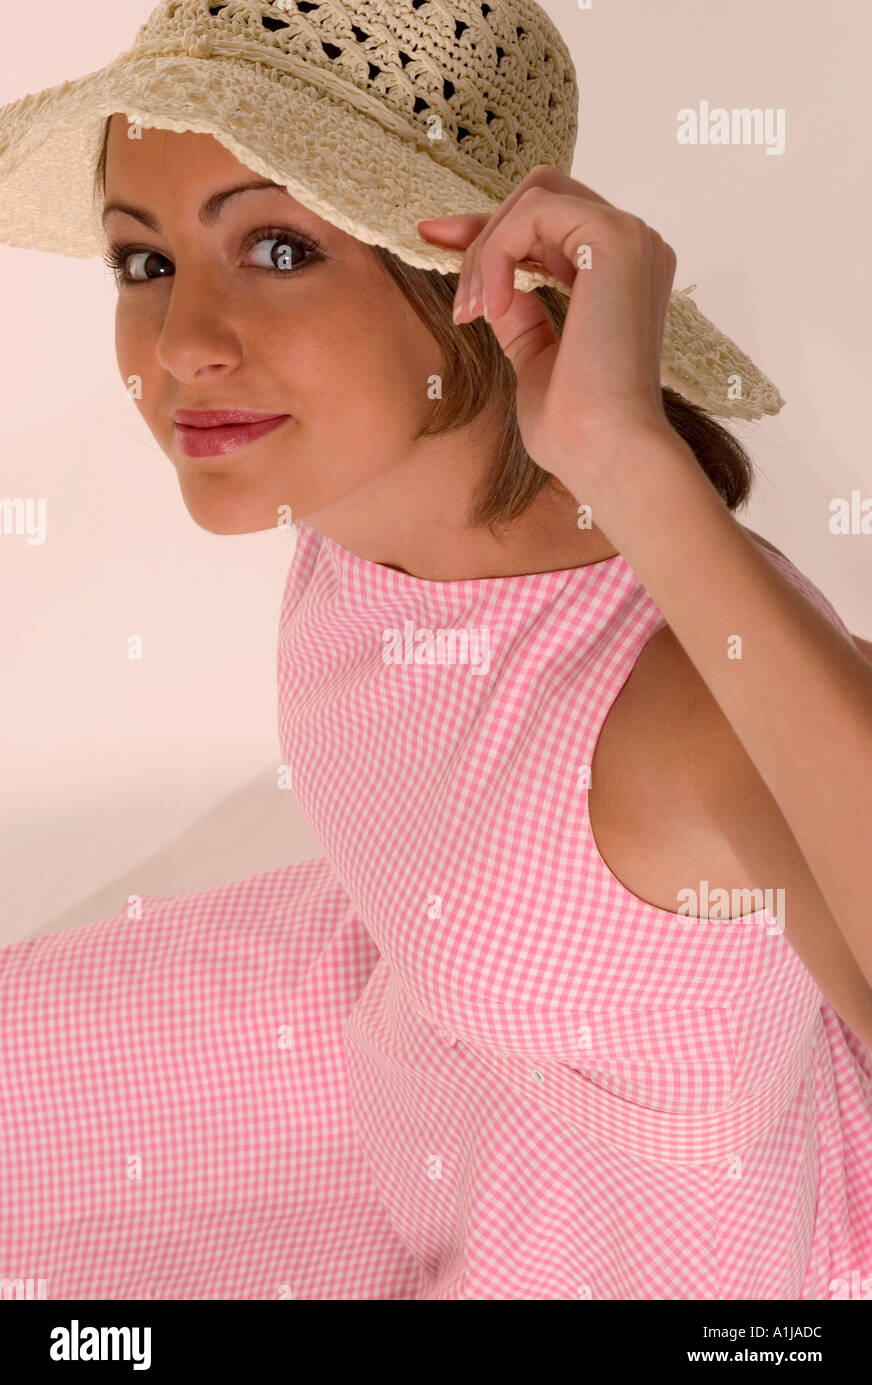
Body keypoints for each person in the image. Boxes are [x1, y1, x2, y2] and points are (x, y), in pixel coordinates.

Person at [0, 0, 870, 1301]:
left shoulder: (668, 719)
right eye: (146, 261)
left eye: (279, 245)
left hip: (648, 1252)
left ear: (467, 275)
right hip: (422, 1064)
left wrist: (631, 460)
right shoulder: (353, 502)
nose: (183, 343)